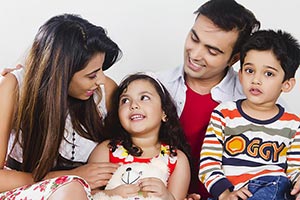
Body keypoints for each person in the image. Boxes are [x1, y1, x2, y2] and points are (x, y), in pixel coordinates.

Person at [0, 13, 121, 199]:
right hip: (30, 191)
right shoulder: (14, 87)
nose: (101, 80)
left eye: (102, 69)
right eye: (92, 75)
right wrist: (66, 178)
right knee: (71, 190)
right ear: (60, 73)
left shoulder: (104, 92)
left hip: (86, 194)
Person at [157, 0, 260, 199]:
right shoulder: (156, 85)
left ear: (234, 59)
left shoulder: (253, 98)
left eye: (212, 51)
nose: (195, 54)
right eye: (194, 39)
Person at [199, 29, 300, 200]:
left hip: (274, 190)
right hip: (233, 193)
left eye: (268, 74)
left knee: (279, 183)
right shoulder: (224, 114)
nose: (256, 80)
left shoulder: (293, 125)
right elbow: (208, 163)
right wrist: (225, 194)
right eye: (249, 70)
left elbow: (295, 170)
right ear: (240, 75)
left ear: (287, 84)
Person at [88, 73, 191, 200]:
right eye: (125, 100)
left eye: (144, 98)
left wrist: (167, 196)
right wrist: (110, 194)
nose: (133, 105)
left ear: (164, 112)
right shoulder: (107, 150)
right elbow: (84, 194)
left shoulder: (177, 159)